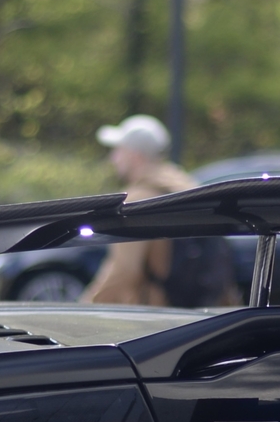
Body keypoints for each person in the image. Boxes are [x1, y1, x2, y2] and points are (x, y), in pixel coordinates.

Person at [81, 115, 232, 308]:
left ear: (135, 156)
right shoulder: (189, 189)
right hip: (199, 316)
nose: (113, 158)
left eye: (118, 150)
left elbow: (123, 273)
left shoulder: (138, 201)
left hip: (157, 317)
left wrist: (84, 308)